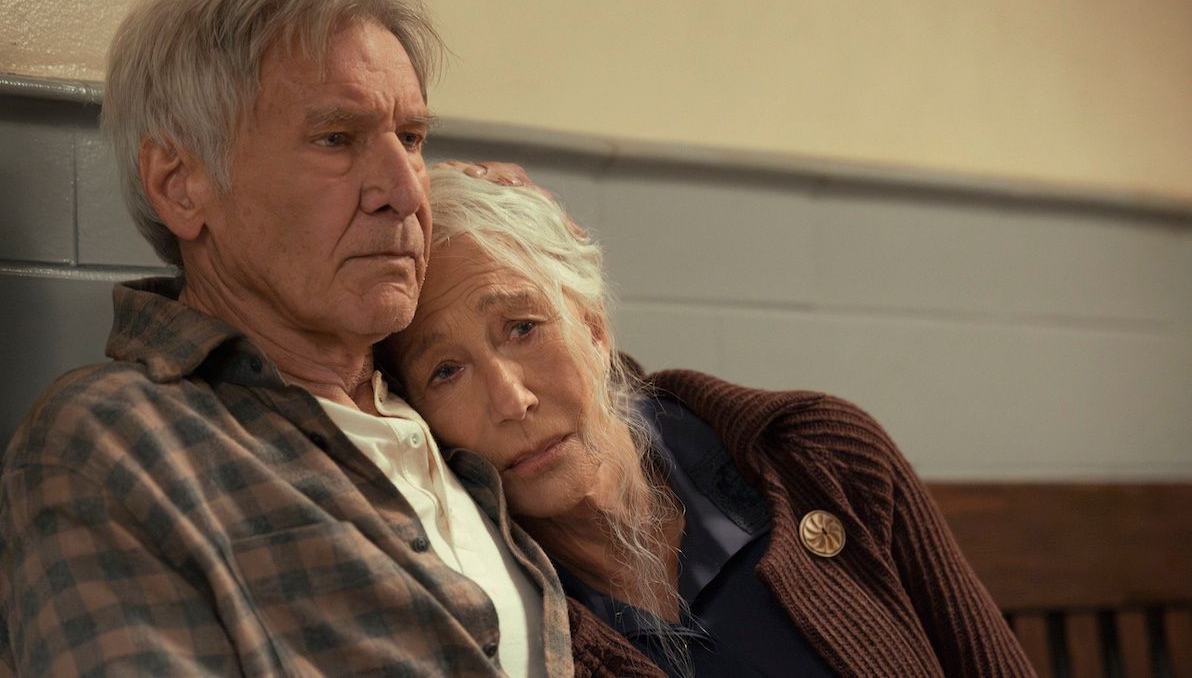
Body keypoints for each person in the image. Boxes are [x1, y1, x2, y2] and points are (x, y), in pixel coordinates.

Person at [0, 0, 646, 675]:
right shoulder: (116, 443)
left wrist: (544, 270)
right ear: (180, 184)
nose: (408, 190)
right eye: (336, 139)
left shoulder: (441, 401)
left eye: (411, 138)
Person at [380, 167, 1038, 677]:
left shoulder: (820, 457)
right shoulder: (493, 610)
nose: (511, 399)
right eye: (445, 370)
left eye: (522, 328)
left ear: (593, 325)